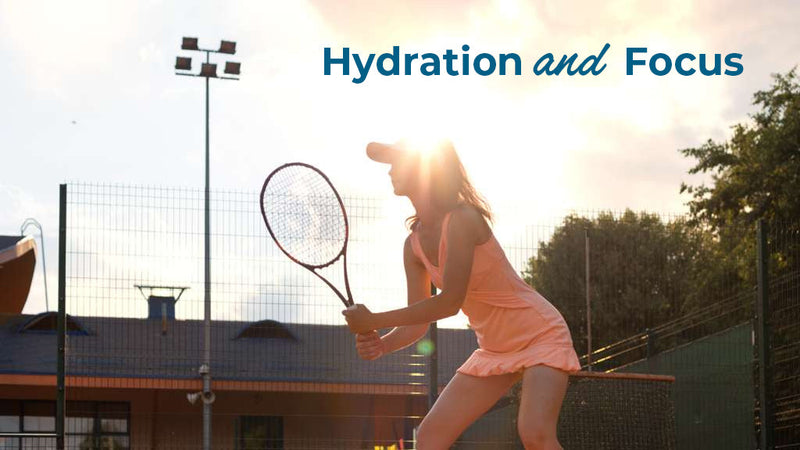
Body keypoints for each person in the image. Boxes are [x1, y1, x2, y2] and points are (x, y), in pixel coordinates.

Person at [343, 140, 580, 450]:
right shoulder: (412, 246)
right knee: (429, 437)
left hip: (540, 333)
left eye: (396, 162)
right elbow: (418, 323)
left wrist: (375, 318)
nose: (389, 171)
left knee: (535, 434)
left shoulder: (464, 219)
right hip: (495, 348)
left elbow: (450, 302)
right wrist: (381, 344)